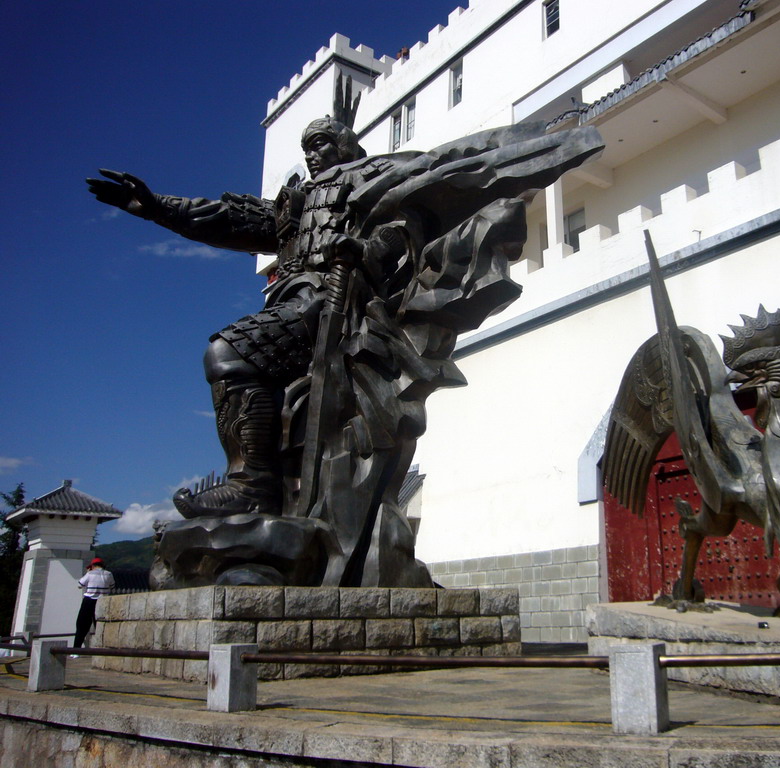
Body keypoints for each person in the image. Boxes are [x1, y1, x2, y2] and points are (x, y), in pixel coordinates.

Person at [87, 106, 603, 587]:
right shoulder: (296, 203)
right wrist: (156, 207)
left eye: (321, 142)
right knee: (243, 367)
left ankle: (252, 484)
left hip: (334, 301)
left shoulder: (370, 177)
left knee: (227, 352)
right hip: (294, 302)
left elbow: (412, 213)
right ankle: (259, 487)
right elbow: (228, 217)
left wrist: (366, 251)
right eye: (307, 145)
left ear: (345, 143)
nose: (313, 153)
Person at [74, 557, 115, 649]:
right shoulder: (109, 574)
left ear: (93, 566)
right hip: (103, 601)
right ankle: (104, 647)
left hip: (89, 600)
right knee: (101, 625)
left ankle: (76, 649)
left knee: (82, 625)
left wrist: (87, 573)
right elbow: (112, 586)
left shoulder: (90, 574)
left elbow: (79, 585)